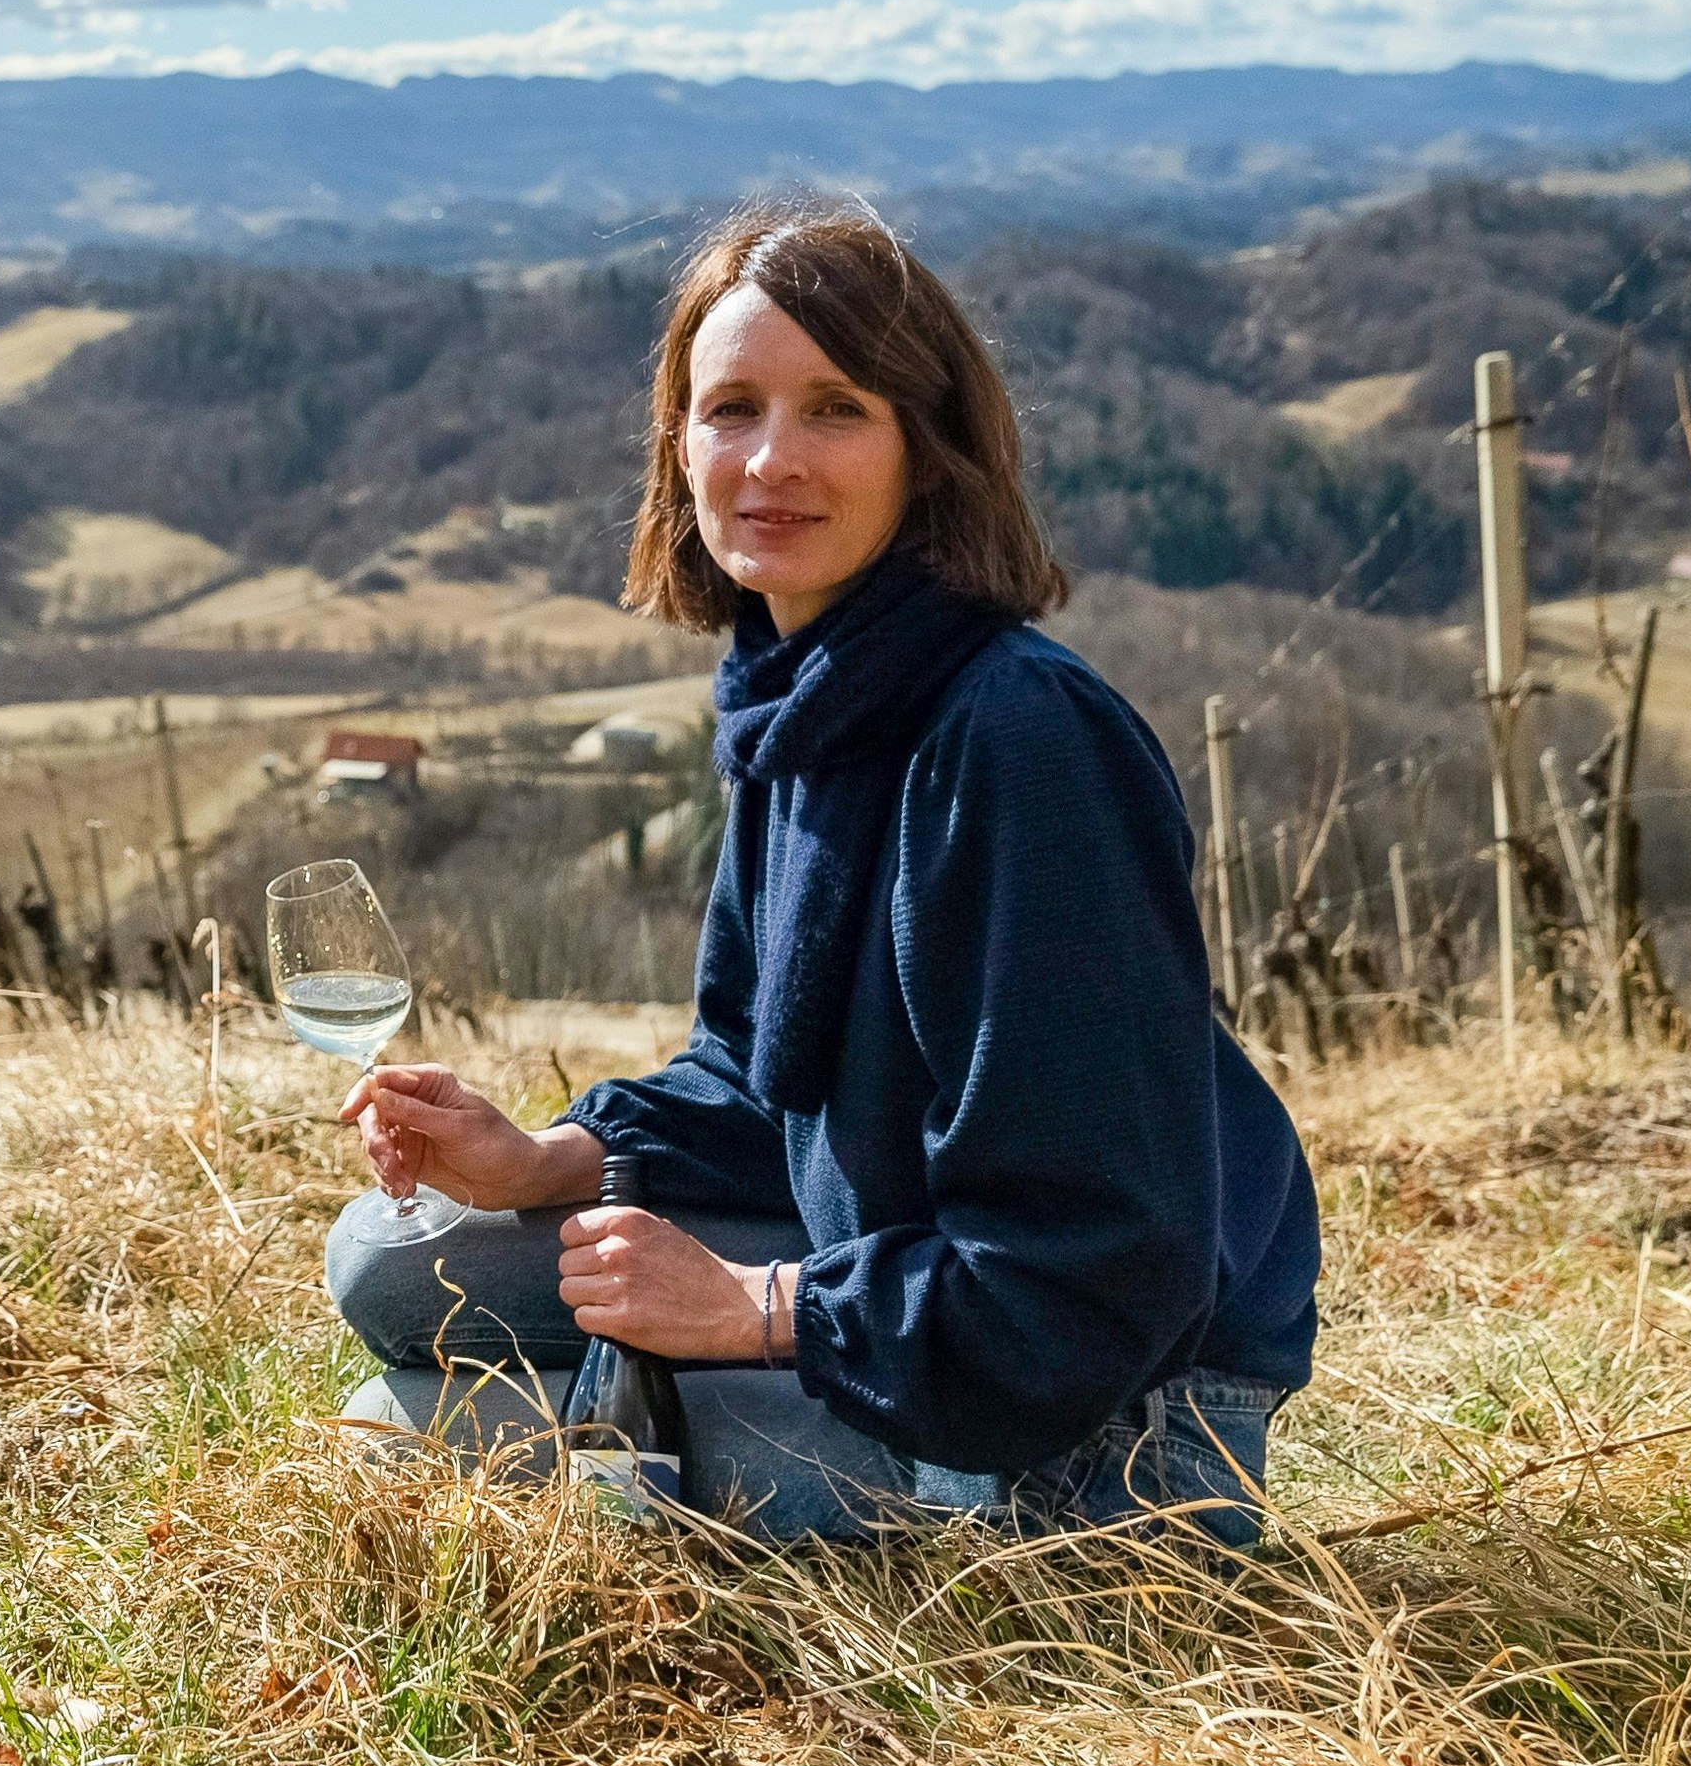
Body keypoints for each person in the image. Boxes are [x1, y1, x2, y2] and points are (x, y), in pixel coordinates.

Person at [325, 201, 1317, 1545]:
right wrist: (546, 1156)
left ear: (929, 447)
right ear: (678, 447)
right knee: (388, 1255)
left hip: (1090, 1422)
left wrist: (752, 1309)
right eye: (731, 409)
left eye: (837, 409)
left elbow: (1099, 1270)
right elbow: (757, 1072)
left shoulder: (1021, 741)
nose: (771, 458)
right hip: (900, 1274)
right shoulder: (803, 698)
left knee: (407, 1430)